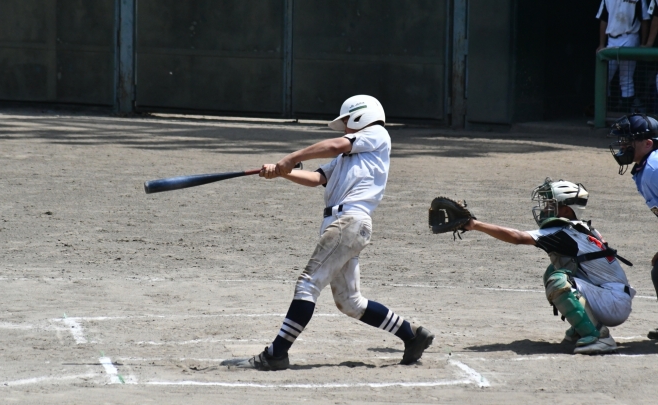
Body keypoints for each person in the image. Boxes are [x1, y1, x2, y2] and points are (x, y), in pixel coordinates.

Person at [238, 95, 434, 371]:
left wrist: (291, 158)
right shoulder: (348, 158)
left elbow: (334, 145)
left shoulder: (376, 134)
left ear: (362, 116)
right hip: (345, 225)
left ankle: (276, 354)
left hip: (349, 222)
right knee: (350, 302)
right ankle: (411, 336)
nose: (345, 129)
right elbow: (316, 178)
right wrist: (281, 172)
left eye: (347, 122)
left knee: (308, 284)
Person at [462, 178, 635, 354]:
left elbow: (517, 237)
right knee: (554, 270)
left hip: (612, 303)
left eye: (551, 204)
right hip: (611, 297)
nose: (545, 209)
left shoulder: (563, 232)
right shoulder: (583, 229)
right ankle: (583, 326)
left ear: (566, 209)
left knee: (559, 280)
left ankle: (600, 337)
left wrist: (474, 225)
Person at [609, 113, 658, 339]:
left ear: (647, 143)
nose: (622, 145)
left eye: (628, 140)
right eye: (621, 140)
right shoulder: (646, 167)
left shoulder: (654, 170)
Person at [596, 0, 650, 108]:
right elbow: (603, 20)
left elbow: (645, 20)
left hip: (629, 38)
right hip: (611, 39)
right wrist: (601, 43)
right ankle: (606, 111)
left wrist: (643, 43)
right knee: (605, 76)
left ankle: (625, 112)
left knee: (626, 78)